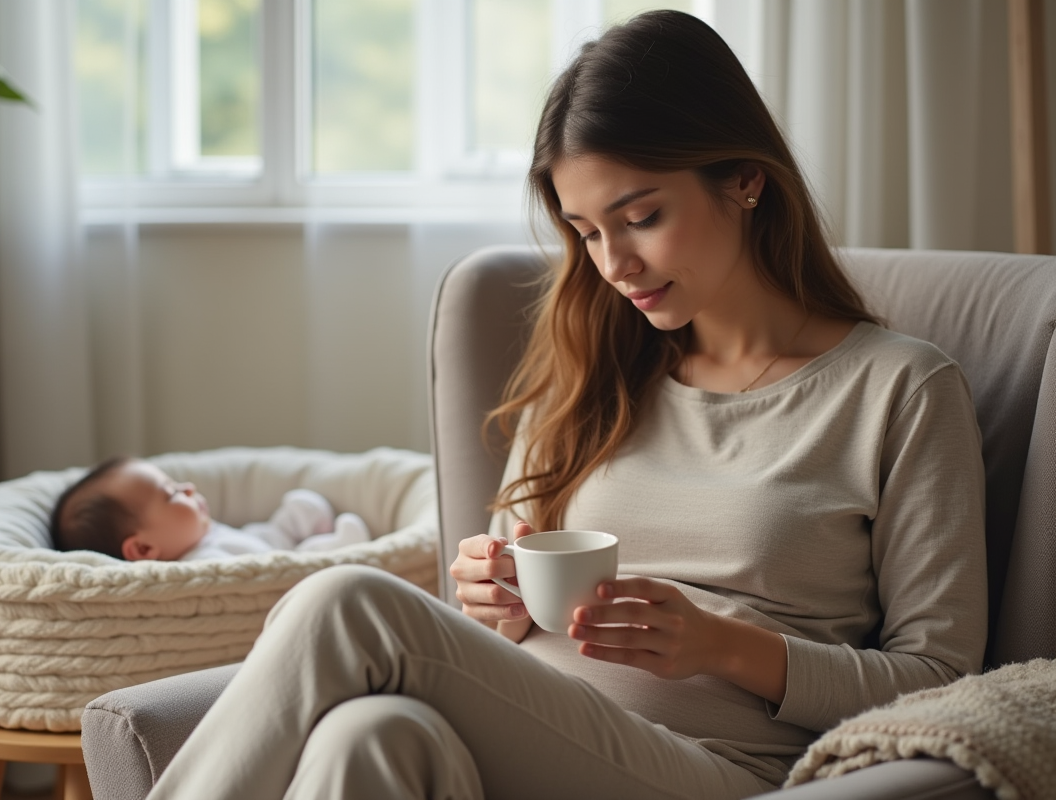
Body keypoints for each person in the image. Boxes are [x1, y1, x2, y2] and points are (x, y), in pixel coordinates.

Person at [145, 10, 987, 799]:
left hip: (716, 769)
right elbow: (500, 628)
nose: (613, 263)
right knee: (367, 736)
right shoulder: (596, 376)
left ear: (745, 182)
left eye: (642, 216)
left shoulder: (898, 390)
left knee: (344, 602)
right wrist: (490, 604)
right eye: (585, 231)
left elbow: (943, 680)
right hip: (529, 738)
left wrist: (723, 645)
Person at [50, 456, 371, 561]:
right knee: (313, 558)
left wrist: (284, 528)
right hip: (280, 564)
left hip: (267, 543)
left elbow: (259, 539)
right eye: (172, 493)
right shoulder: (199, 567)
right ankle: (338, 549)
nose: (188, 487)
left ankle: (311, 531)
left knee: (300, 507)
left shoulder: (206, 534)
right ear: (145, 548)